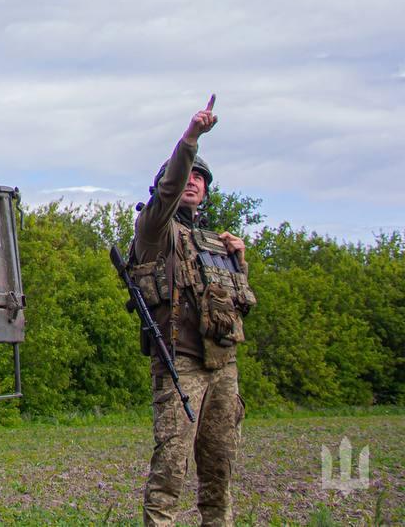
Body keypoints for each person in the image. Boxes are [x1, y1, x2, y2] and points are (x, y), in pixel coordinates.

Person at [131, 97, 256, 526]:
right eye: (187, 175)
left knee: (219, 473)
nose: (192, 182)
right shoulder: (154, 231)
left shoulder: (215, 243)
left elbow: (237, 308)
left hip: (223, 366)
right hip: (181, 363)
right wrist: (190, 139)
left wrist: (241, 263)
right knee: (170, 472)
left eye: (200, 178)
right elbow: (169, 189)